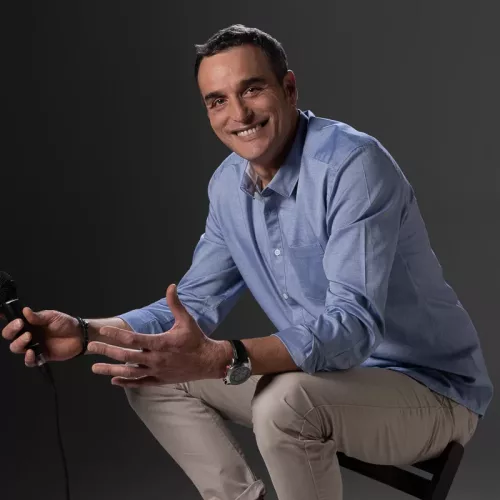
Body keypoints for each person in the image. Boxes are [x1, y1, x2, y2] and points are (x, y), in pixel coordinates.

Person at [1, 24, 493, 500]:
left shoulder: (352, 166)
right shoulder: (227, 188)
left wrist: (229, 356)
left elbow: (351, 329)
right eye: (217, 100)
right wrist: (88, 333)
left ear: (289, 88)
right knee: (151, 372)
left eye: (251, 90)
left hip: (429, 391)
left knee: (287, 403)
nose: (238, 113)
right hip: (329, 380)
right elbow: (191, 305)